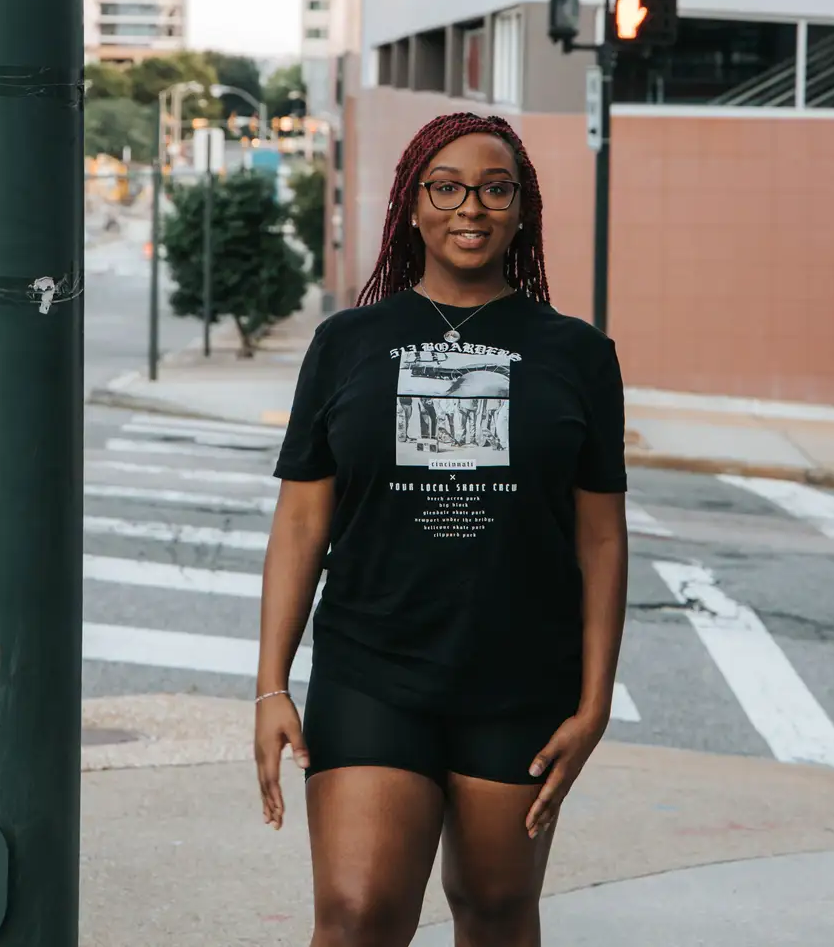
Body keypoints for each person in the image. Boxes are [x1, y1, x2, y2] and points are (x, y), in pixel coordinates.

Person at [255, 112, 628, 947]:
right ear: (411, 205)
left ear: (522, 209)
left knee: (495, 913)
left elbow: (601, 538)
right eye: (448, 186)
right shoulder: (346, 344)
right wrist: (271, 683)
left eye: (497, 188)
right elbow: (302, 520)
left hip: (521, 679)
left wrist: (595, 702)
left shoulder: (577, 355)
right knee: (356, 917)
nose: (473, 207)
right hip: (372, 666)